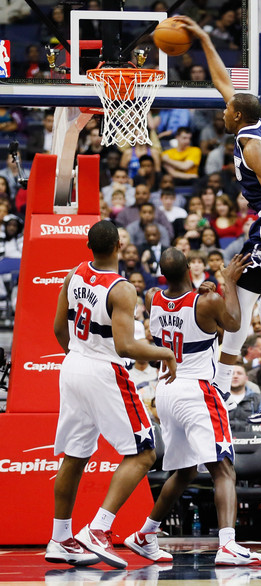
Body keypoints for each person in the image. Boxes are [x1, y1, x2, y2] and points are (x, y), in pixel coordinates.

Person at [176, 15, 261, 423]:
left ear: (235, 115)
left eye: (226, 109)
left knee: (239, 301)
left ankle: (216, 388)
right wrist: (202, 37)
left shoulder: (252, 145)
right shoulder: (249, 119)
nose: (222, 110)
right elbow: (222, 81)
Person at [45, 221, 176, 569]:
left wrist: (79, 352)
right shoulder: (122, 289)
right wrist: (165, 353)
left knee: (74, 456)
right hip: (104, 369)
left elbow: (59, 328)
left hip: (73, 363)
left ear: (90, 246)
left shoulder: (73, 274)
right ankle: (98, 529)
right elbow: (125, 345)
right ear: (119, 245)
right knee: (145, 453)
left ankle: (60, 539)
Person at [124, 247, 261, 566]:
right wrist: (228, 282)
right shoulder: (206, 301)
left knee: (186, 470)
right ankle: (228, 545)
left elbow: (181, 304)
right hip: (197, 389)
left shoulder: (151, 297)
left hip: (166, 390)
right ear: (190, 268)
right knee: (224, 468)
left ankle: (146, 534)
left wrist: (208, 292)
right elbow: (232, 324)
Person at [228, 364, 261, 430]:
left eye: (239, 373)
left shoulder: (258, 399)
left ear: (246, 378)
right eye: (232, 373)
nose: (235, 376)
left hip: (252, 438)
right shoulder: (219, 398)